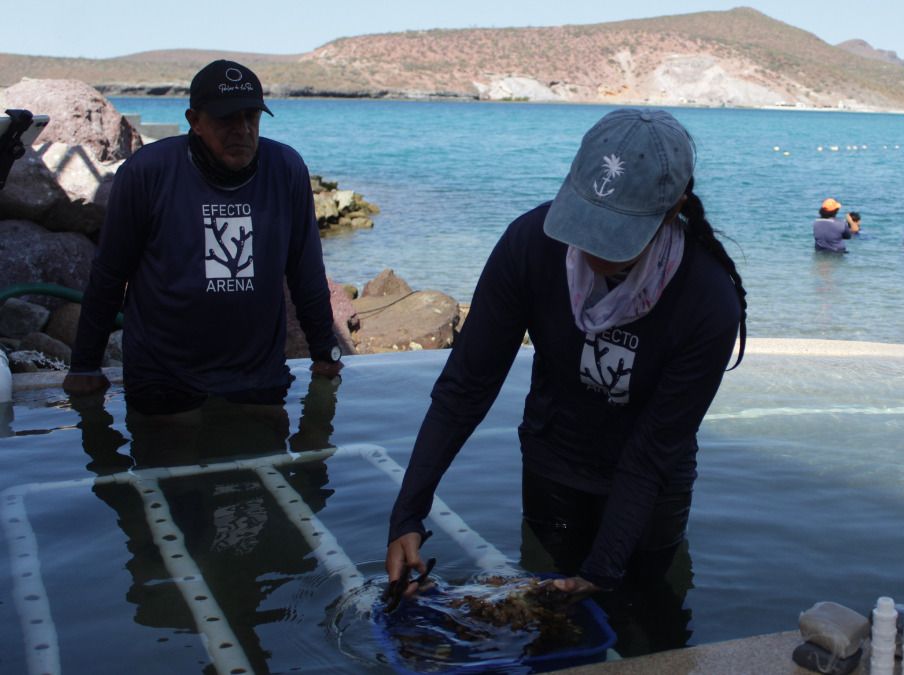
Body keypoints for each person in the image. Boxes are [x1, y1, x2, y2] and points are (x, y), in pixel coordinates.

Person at [385, 109, 747, 604]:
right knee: (545, 618)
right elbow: (465, 387)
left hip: (651, 488)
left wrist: (602, 570)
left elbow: (652, 452)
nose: (593, 244)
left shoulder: (708, 301)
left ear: (673, 210)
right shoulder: (530, 246)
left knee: (640, 617)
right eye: (587, 221)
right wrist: (407, 513)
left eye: (614, 233)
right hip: (552, 466)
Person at [63, 60, 343, 413]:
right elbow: (109, 273)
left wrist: (326, 351)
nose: (242, 130)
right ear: (194, 121)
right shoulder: (147, 172)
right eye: (227, 119)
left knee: (264, 445)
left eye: (251, 117)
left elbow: (306, 271)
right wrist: (84, 365)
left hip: (258, 376)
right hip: (163, 377)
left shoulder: (286, 170)